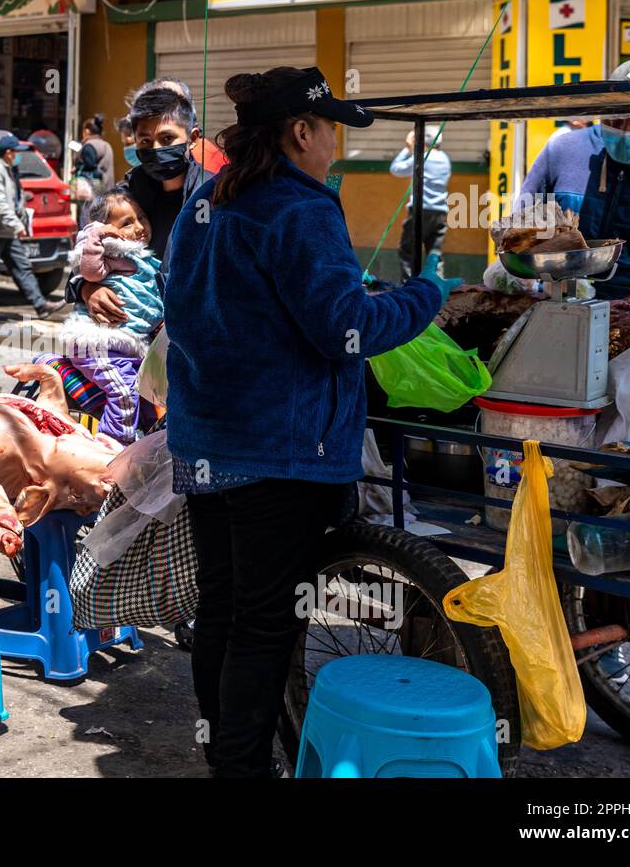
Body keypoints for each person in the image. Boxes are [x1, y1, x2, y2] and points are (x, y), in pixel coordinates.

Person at [164, 66, 455, 777]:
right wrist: (426, 295)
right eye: (331, 131)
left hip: (209, 443)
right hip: (277, 453)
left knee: (226, 613)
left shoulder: (208, 201)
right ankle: (241, 769)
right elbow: (344, 328)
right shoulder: (300, 207)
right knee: (263, 626)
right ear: (301, 132)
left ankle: (224, 758)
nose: (337, 147)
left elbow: (187, 307)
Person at [519, 57, 630, 298]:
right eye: (613, 117)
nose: (624, 131)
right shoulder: (561, 151)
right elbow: (519, 231)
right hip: (555, 308)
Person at [73, 83, 220, 326]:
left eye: (167, 138)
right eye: (145, 141)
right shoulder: (129, 190)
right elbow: (88, 241)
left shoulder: (214, 194)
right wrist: (87, 288)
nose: (156, 148)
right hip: (128, 328)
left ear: (193, 138)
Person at [60, 189, 163, 443]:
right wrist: (97, 234)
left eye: (142, 218)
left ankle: (140, 441)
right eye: (127, 223)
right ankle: (113, 446)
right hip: (101, 346)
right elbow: (90, 271)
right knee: (124, 393)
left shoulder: (144, 260)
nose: (139, 227)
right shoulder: (112, 253)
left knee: (146, 398)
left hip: (131, 348)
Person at [0, 134, 66, 321]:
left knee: (22, 267)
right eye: (16, 151)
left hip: (7, 230)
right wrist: (16, 224)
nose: (18, 155)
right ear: (8, 152)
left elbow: (14, 198)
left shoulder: (9, 169)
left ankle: (41, 306)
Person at [389, 125, 452, 279]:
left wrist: (407, 148)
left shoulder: (422, 157)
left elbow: (395, 169)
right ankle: (437, 288)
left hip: (420, 211)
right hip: (440, 212)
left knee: (407, 250)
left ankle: (409, 287)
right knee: (434, 254)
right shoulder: (445, 159)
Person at [79, 113, 115, 190]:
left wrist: (78, 169)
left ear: (87, 131)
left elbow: (90, 167)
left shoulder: (89, 146)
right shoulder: (107, 145)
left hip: (95, 194)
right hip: (108, 190)